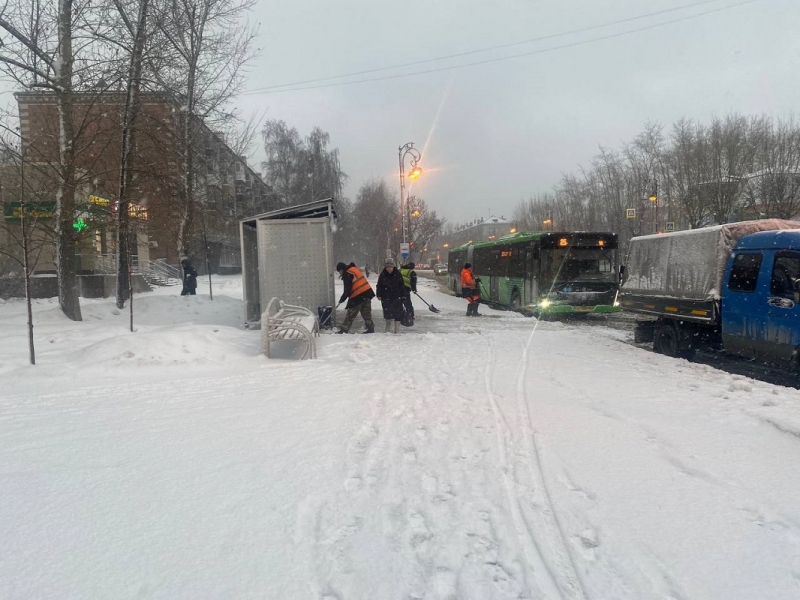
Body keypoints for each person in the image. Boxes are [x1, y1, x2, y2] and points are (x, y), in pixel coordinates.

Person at [335, 262, 376, 334]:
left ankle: (345, 329)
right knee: (366, 312)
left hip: (357, 295)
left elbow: (347, 289)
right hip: (367, 293)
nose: (340, 273)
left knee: (351, 313)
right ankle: (370, 328)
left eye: (339, 271)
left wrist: (342, 299)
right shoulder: (353, 269)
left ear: (341, 269)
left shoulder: (347, 274)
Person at [376, 258, 406, 333]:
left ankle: (397, 329)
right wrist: (378, 294)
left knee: (397, 313)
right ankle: (387, 329)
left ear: (393, 267)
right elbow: (379, 285)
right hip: (386, 297)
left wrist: (403, 295)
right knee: (387, 313)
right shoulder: (382, 275)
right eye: (387, 267)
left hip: (396, 297)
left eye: (390, 267)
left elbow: (402, 285)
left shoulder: (397, 274)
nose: (389, 269)